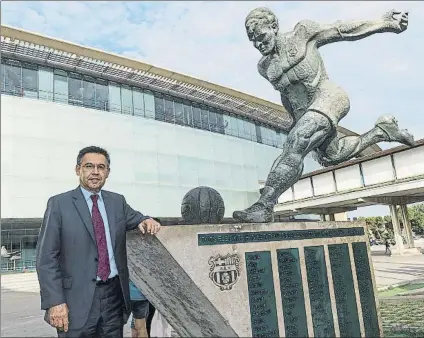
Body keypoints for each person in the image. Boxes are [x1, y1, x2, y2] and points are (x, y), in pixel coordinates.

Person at [233, 8, 415, 223]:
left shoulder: (302, 33)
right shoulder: (265, 67)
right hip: (308, 111)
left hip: (329, 96)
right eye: (252, 40)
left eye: (261, 36)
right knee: (333, 155)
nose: (258, 44)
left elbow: (341, 30)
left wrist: (382, 23)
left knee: (296, 143)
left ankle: (264, 205)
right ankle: (382, 131)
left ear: (274, 27)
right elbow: (288, 94)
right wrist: (295, 121)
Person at [36, 146, 161, 337]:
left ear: (107, 172)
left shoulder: (117, 202)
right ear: (78, 169)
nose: (95, 172)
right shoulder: (59, 204)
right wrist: (55, 302)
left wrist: (148, 220)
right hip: (75, 302)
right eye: (89, 166)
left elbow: (138, 218)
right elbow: (46, 258)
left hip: (113, 298)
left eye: (101, 167)